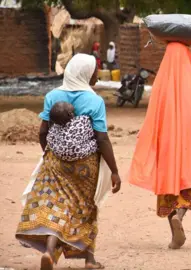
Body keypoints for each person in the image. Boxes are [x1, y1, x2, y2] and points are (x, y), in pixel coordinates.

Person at [15, 53, 121, 270]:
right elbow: (102, 138)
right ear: (85, 73)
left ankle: (49, 252)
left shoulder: (52, 96)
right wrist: (114, 171)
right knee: (85, 208)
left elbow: (43, 132)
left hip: (55, 163)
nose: (96, 77)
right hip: (86, 165)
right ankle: (89, 260)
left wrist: (50, 155)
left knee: (56, 206)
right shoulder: (95, 101)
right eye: (94, 72)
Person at [128, 42, 191, 250]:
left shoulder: (160, 84)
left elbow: (153, 115)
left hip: (166, 142)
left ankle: (173, 222)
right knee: (186, 180)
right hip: (188, 143)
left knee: (168, 181)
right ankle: (180, 217)